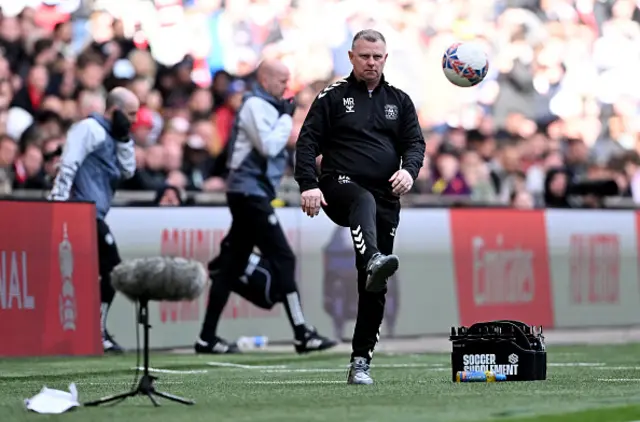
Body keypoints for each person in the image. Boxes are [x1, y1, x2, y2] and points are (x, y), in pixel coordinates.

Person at [294, 29, 426, 384]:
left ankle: (360, 361)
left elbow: (415, 144)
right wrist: (308, 184)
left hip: (386, 196)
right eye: (365, 56)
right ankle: (372, 259)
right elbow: (307, 142)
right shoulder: (332, 97)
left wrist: (409, 172)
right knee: (362, 201)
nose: (371, 62)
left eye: (377, 56)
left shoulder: (399, 100)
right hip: (340, 185)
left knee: (374, 286)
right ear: (351, 57)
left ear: (386, 59)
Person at [196, 59, 336, 354]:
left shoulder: (265, 107)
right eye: (282, 80)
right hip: (249, 194)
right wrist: (287, 118)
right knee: (283, 258)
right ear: (264, 79)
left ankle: (206, 338)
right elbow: (269, 147)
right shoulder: (254, 106)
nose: (287, 87)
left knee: (231, 268)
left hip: (250, 192)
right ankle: (302, 333)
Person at [49, 87, 138, 353]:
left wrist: (124, 140)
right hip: (79, 211)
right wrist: (57, 208)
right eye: (131, 114)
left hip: (95, 212)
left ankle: (92, 330)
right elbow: (69, 163)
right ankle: (94, 330)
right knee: (112, 266)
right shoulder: (89, 129)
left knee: (95, 271)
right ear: (116, 110)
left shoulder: (115, 136)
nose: (134, 120)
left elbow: (128, 171)